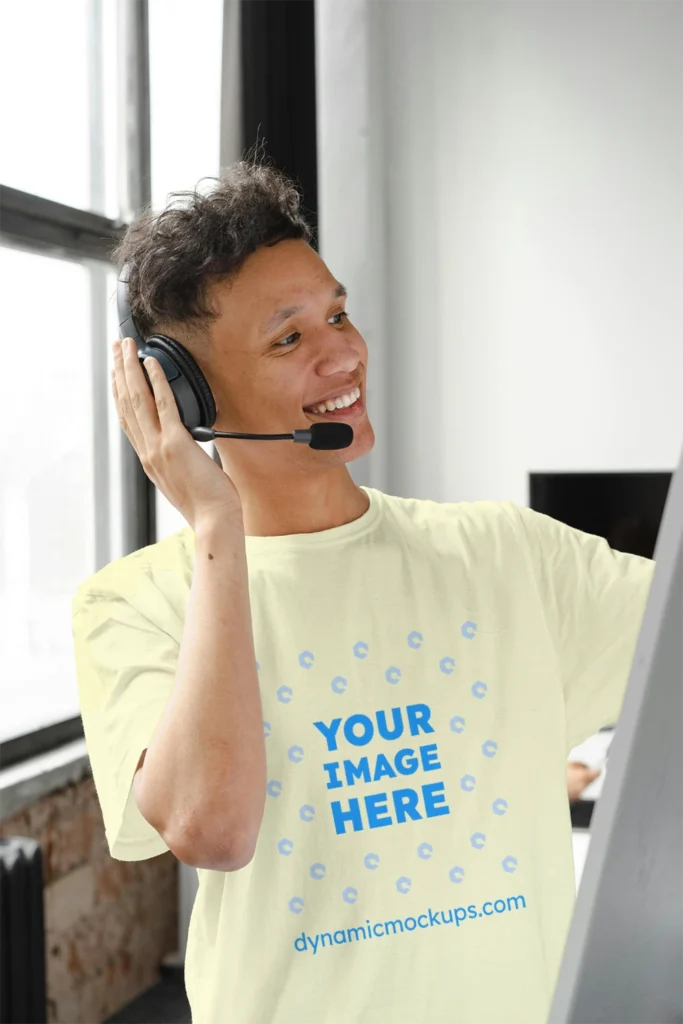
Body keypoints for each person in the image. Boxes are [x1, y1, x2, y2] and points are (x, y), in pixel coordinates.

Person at [71, 156, 655, 1024]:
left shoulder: (508, 555)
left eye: (337, 313)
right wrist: (216, 529)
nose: (342, 350)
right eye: (288, 338)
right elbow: (213, 828)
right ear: (187, 397)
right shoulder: (134, 606)